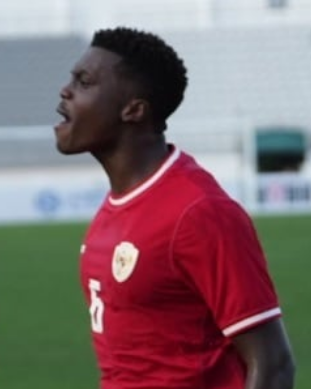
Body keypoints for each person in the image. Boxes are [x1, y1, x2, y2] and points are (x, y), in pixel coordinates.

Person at [54, 27, 295, 389]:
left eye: (84, 82)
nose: (65, 90)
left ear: (134, 110)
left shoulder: (199, 212)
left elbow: (273, 364)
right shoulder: (117, 205)